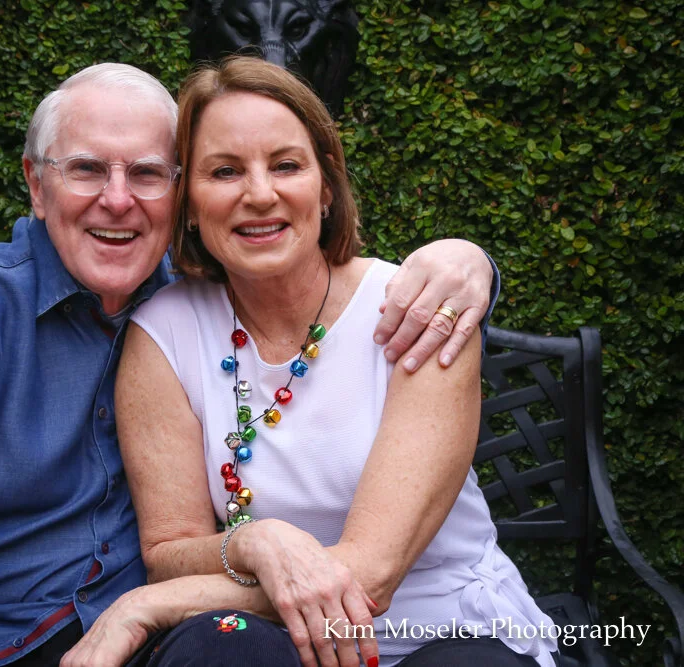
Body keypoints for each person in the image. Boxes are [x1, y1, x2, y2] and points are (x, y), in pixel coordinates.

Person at [0, 62, 499, 666]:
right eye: (84, 170)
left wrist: (473, 263)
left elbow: (344, 296)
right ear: (36, 186)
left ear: (176, 195)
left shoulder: (193, 305)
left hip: (139, 640)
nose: (117, 201)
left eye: (145, 173)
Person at [71, 57, 558, 667]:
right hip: (279, 637)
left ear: (326, 188)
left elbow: (371, 574)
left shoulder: (420, 308)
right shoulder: (165, 332)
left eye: (286, 165)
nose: (259, 194)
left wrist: (149, 605)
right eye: (224, 171)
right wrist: (255, 542)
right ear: (187, 202)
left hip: (444, 631)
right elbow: (171, 548)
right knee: (218, 648)